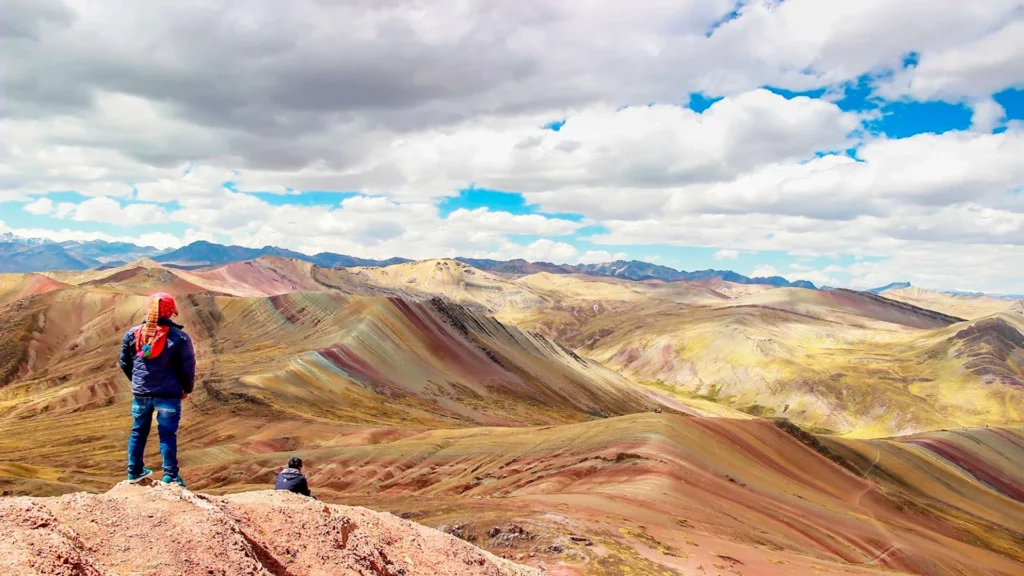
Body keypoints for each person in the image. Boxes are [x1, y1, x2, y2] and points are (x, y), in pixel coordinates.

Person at [119, 292, 196, 487]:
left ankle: (134, 472)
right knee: (167, 434)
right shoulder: (179, 338)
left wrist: (137, 382)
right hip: (169, 395)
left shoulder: (133, 334)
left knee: (138, 432)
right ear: (171, 312)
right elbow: (187, 367)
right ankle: (170, 476)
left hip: (141, 394)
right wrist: (186, 389)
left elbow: (124, 363)